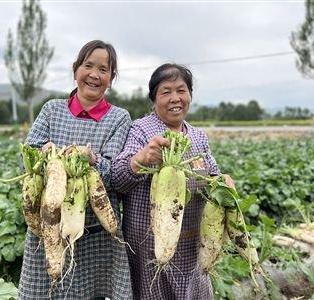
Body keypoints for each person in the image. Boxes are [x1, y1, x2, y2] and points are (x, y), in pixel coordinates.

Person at [18, 40, 133, 300]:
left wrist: (91, 160)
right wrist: (44, 157)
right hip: (48, 232)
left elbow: (114, 172)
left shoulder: (119, 118)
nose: (94, 74)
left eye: (103, 69)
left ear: (111, 78)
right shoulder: (51, 109)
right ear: (75, 70)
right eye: (88, 65)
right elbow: (26, 159)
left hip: (98, 234)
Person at [111, 63, 234, 299]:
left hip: (193, 245)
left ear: (190, 95)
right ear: (154, 98)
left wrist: (222, 182)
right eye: (166, 92)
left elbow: (213, 174)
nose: (175, 98)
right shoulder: (141, 130)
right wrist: (141, 159)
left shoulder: (197, 136)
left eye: (181, 90)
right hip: (151, 246)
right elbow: (117, 179)